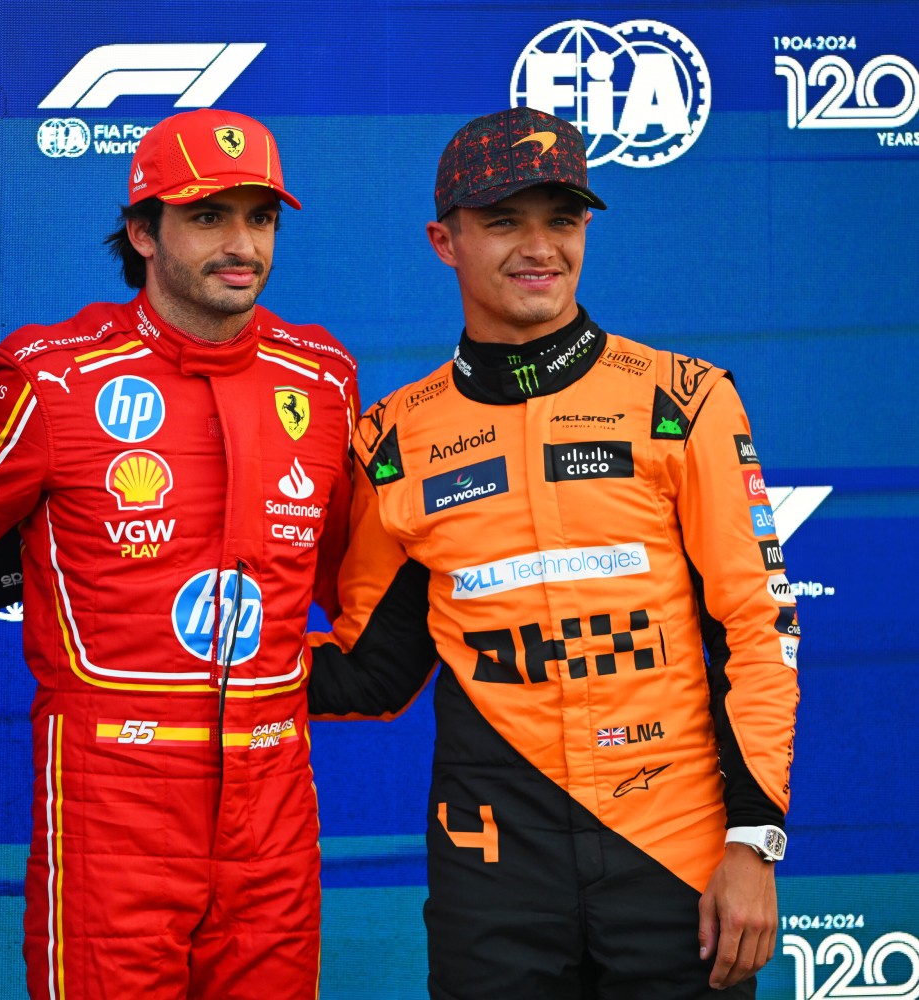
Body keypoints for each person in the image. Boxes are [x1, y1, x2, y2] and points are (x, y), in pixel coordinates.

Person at [308, 106, 799, 998]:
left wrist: (753, 841)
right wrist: (177, 640)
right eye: (503, 221)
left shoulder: (684, 400)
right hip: (494, 859)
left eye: (562, 220)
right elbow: (371, 669)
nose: (540, 248)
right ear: (443, 241)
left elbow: (755, 627)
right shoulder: (392, 438)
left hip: (676, 848)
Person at [0, 108, 357, 998]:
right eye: (209, 216)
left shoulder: (321, 378)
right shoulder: (52, 374)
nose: (243, 244)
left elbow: (359, 572)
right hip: (111, 792)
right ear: (140, 232)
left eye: (261, 217)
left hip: (274, 788)